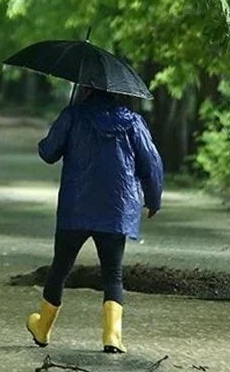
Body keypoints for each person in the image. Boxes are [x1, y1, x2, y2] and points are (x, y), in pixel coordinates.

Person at [25, 86, 163, 353]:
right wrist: (153, 199)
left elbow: (48, 153)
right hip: (116, 208)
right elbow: (151, 162)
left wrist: (59, 126)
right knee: (113, 275)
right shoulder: (132, 122)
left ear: (86, 89)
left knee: (60, 268)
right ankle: (112, 337)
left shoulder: (73, 115)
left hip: (76, 208)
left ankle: (42, 329)